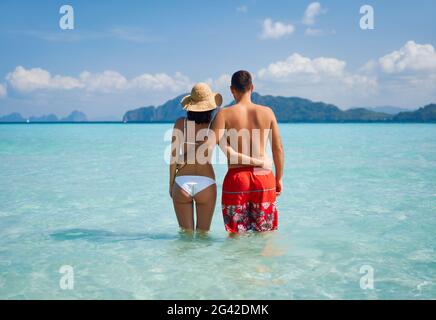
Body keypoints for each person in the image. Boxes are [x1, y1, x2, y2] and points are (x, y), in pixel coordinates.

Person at [169, 82, 265, 233]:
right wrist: (259, 162)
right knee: (203, 233)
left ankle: (186, 258)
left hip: (181, 182)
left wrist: (171, 184)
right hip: (206, 182)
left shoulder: (180, 123)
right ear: (210, 105)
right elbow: (230, 153)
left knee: (185, 235)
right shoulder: (215, 126)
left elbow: (173, 159)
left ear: (190, 105)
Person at [211, 70, 284, 233]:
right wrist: (279, 178)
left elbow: (211, 143)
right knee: (265, 234)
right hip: (264, 177)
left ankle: (239, 260)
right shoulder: (268, 112)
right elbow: (277, 148)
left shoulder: (224, 114)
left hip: (237, 179)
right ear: (252, 87)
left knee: (236, 236)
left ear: (232, 89)